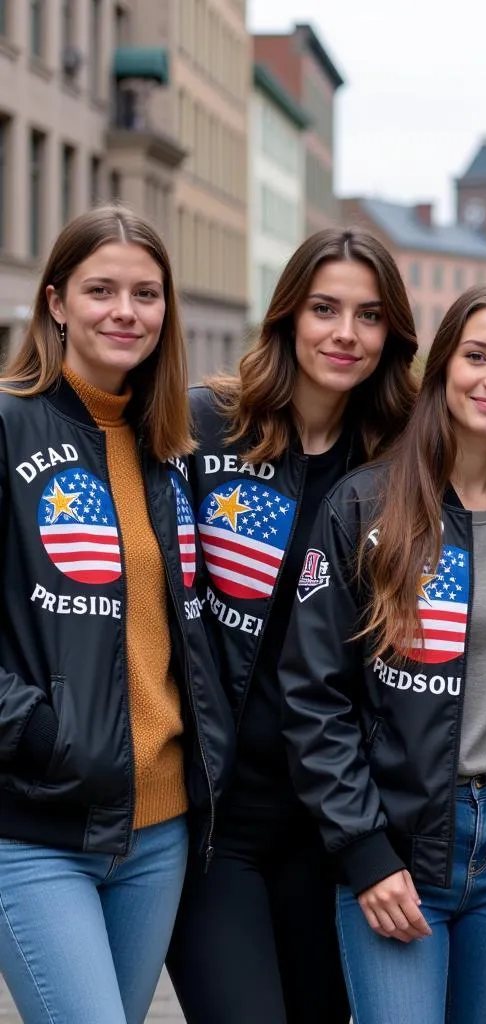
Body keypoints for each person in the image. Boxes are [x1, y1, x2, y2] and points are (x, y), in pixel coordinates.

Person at [277, 283, 486, 1024]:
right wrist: (363, 852)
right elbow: (313, 695)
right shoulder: (362, 505)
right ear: (443, 367)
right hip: (400, 841)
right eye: (478, 356)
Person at [165, 228, 418, 1024]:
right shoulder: (202, 427)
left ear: (392, 335)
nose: (345, 333)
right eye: (325, 309)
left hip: (339, 823)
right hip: (215, 819)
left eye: (369, 315)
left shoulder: (405, 459)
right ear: (287, 317)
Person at [0, 205, 233, 1024]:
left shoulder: (168, 446)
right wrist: (40, 735)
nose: (125, 312)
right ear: (56, 302)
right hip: (35, 826)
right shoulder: (8, 423)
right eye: (101, 290)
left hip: (160, 832)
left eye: (145, 293)